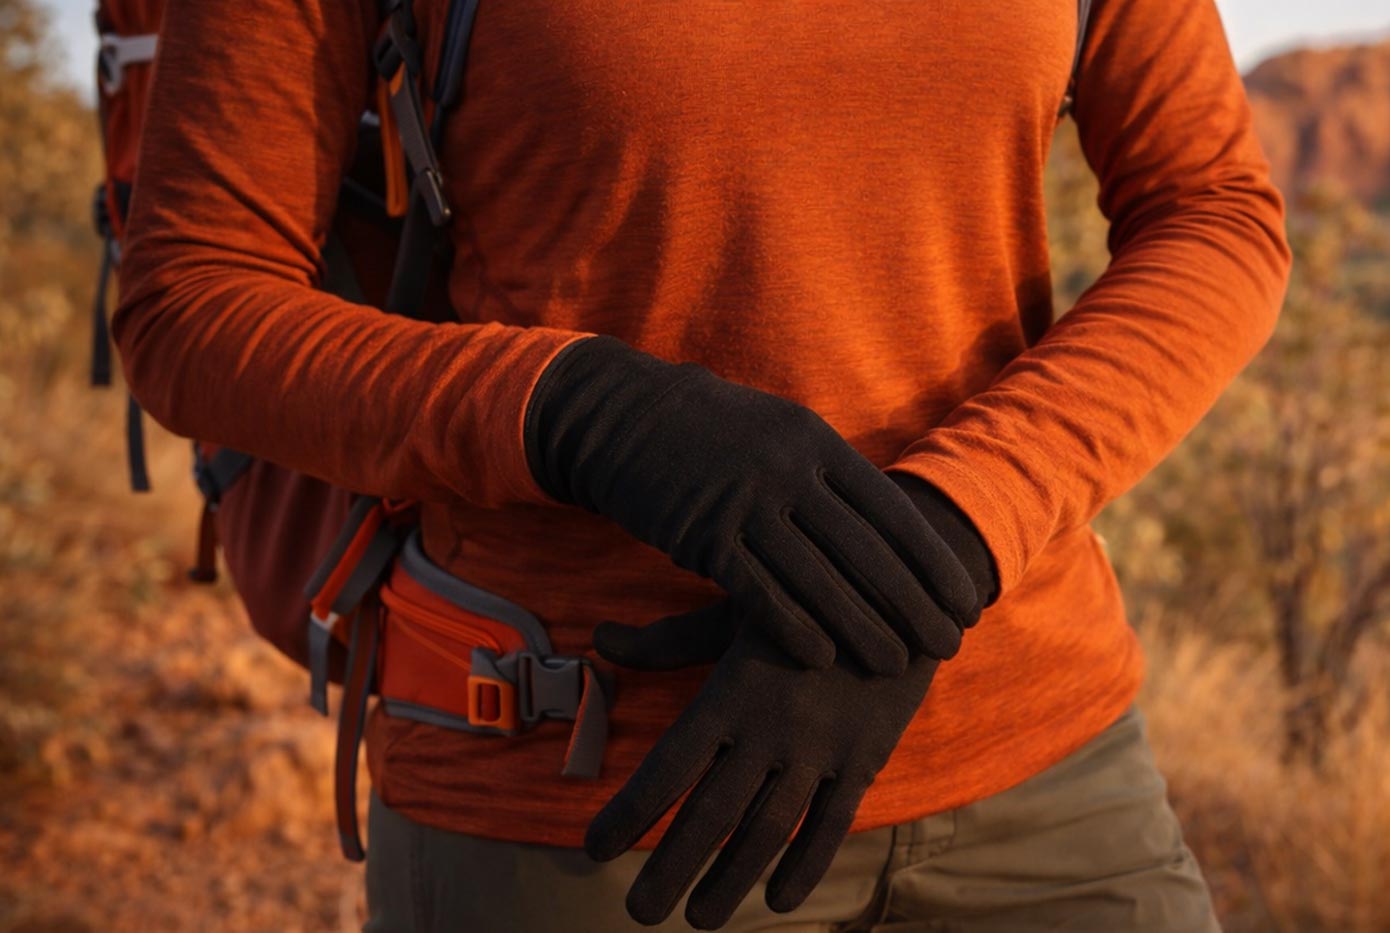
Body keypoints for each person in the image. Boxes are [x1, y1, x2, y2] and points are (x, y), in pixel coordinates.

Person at [114, 0, 1290, 930]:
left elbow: (1211, 210)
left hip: (1042, 764)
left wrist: (950, 530)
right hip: (592, 804)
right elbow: (193, 303)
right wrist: (581, 412)